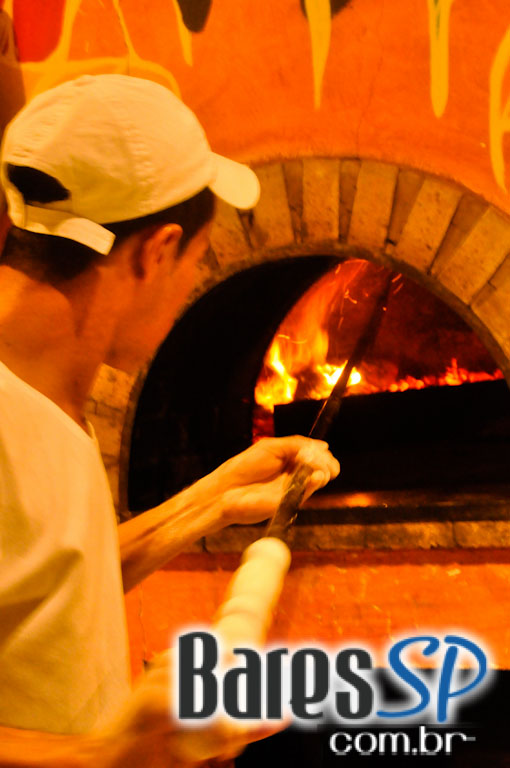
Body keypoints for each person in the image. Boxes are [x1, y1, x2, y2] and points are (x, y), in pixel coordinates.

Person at [0, 74, 340, 767]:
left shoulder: (43, 386)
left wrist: (209, 503)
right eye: (197, 259)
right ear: (157, 250)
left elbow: (40, 594)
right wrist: (107, 755)